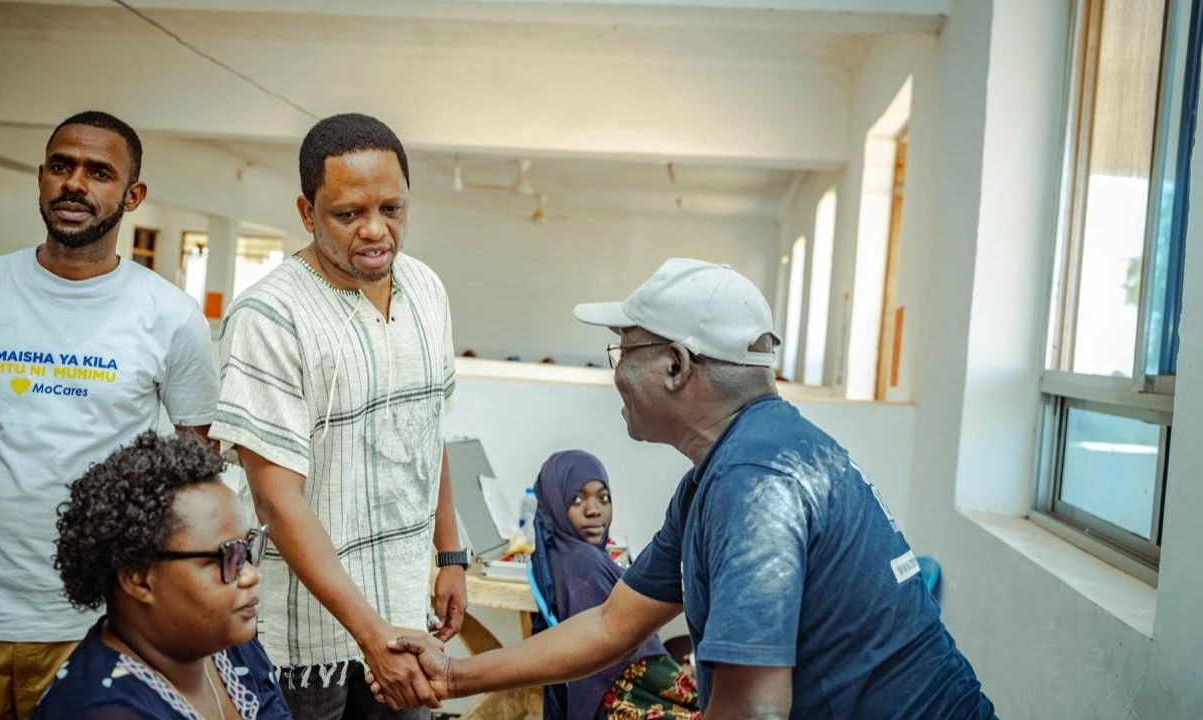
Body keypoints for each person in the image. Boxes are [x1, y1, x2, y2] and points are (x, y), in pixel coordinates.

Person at [373, 258, 996, 719]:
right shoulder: (723, 471)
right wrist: (452, 676)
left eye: (623, 349)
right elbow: (610, 626)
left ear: (675, 365)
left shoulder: (756, 485)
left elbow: (753, 710)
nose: (614, 370)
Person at [0, 111, 219, 717]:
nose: (75, 183)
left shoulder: (169, 314)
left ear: (132, 195)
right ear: (41, 178)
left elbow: (197, 469)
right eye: (62, 166)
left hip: (98, 623)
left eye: (98, 172)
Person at [208, 113, 462, 720]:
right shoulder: (270, 316)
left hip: (402, 612)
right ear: (307, 212)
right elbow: (275, 502)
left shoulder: (427, 289)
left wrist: (449, 553)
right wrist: (368, 634)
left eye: (391, 209)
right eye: (348, 214)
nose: (375, 230)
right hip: (298, 636)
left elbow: (429, 428)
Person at [34, 431, 289, 719]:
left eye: (249, 548)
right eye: (228, 556)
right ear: (138, 577)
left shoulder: (228, 645)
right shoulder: (103, 711)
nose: (252, 575)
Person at [530, 450, 699, 720]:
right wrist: (690, 688)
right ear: (554, 501)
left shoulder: (556, 553)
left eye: (603, 498)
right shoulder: (583, 564)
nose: (593, 510)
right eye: (576, 499)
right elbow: (627, 663)